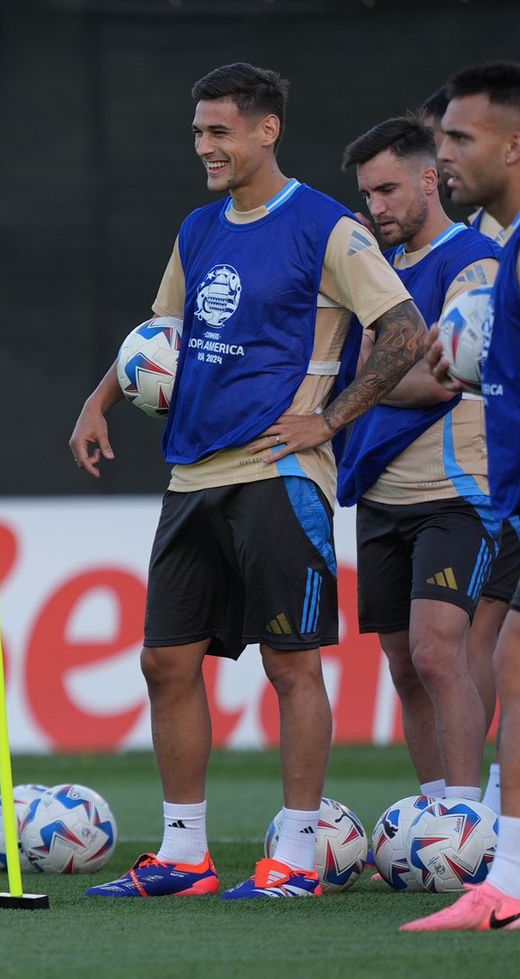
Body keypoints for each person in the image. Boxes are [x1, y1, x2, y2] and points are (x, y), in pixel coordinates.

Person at [69, 63, 425, 900]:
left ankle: (297, 860)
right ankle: (184, 856)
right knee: (166, 661)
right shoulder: (198, 228)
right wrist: (97, 401)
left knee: (290, 663)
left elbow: (404, 332)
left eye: (220, 131)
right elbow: (162, 332)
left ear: (267, 130)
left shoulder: (329, 229)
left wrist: (330, 420)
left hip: (280, 473)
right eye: (199, 132)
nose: (206, 147)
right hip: (192, 473)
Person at [338, 116, 500, 804]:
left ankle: (465, 822)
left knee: (441, 652)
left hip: (453, 488)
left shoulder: (472, 262)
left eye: (388, 190)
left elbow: (443, 376)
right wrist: (375, 372)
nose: (376, 208)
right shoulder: (371, 270)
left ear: (430, 180)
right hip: (380, 492)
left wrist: (369, 377)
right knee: (404, 666)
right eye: (368, 195)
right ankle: (433, 817)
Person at [404, 61, 520, 932]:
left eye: (458, 139)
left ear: (513, 145)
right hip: (515, 499)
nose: (441, 154)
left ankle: (506, 890)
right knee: (511, 669)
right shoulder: (507, 250)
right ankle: (507, 884)